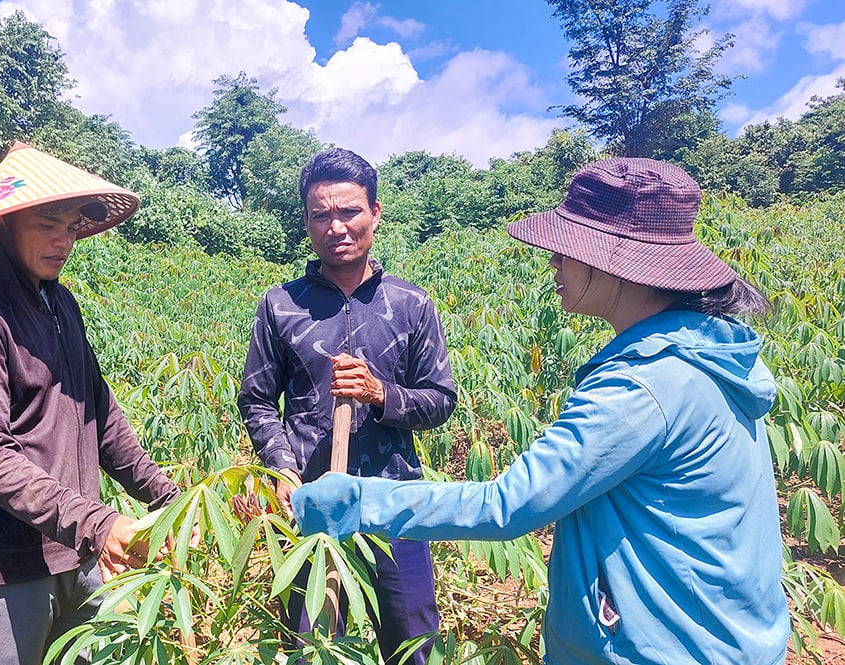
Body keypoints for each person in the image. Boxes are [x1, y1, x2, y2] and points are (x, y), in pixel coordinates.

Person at [291, 157, 789, 664]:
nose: (552, 260)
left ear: (609, 261)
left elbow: (505, 505)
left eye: (565, 247)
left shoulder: (645, 385)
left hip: (662, 648)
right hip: (714, 634)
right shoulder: (705, 353)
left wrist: (351, 501)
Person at [0, 142, 182, 665]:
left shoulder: (59, 300)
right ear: (4, 225)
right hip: (7, 567)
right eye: (49, 224)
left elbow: (99, 413)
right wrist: (99, 523)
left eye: (71, 227)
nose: (63, 240)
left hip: (78, 555)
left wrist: (168, 499)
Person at [237, 147, 458, 665]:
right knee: (312, 643)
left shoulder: (410, 304)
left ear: (375, 214)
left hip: (396, 500)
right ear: (307, 222)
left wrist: (383, 395)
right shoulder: (281, 305)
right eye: (321, 215)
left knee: (411, 640)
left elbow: (441, 399)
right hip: (312, 502)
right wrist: (283, 469)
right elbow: (257, 400)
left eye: (350, 211)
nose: (336, 226)